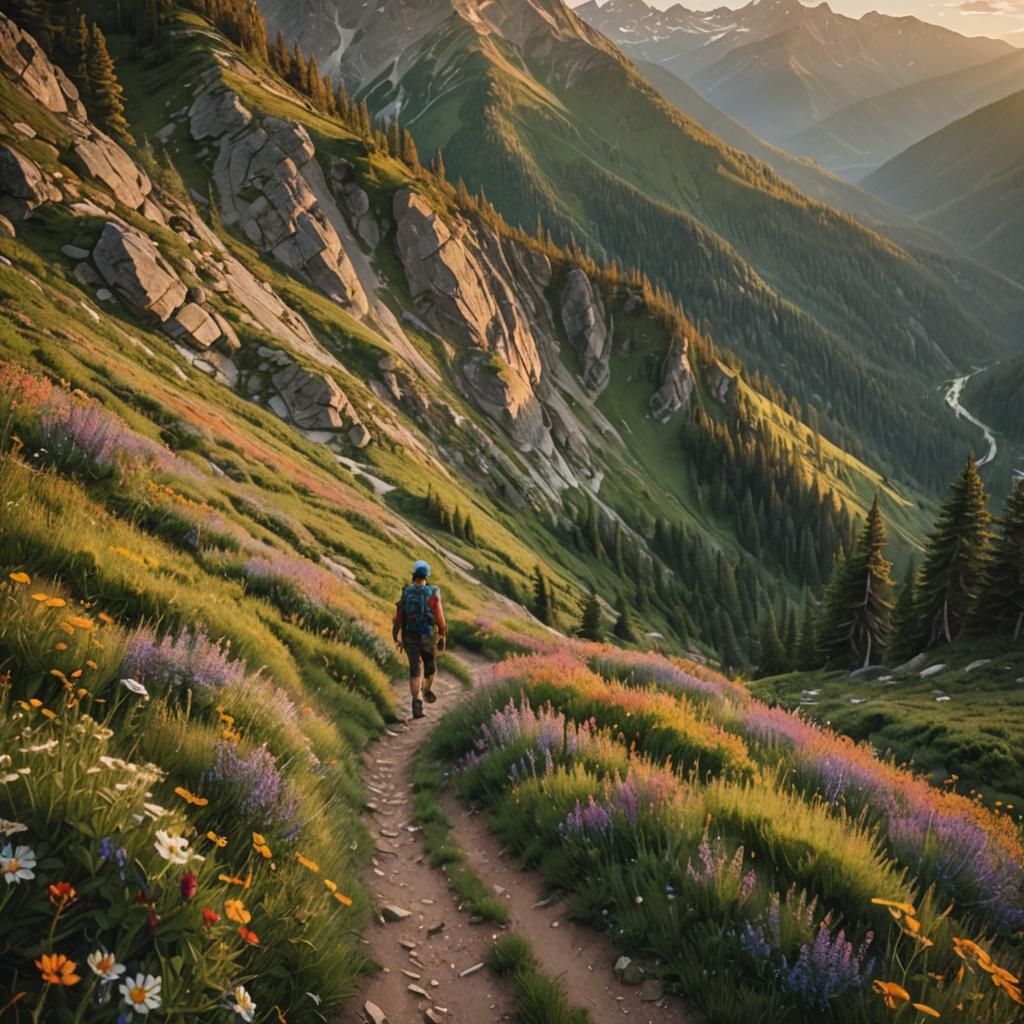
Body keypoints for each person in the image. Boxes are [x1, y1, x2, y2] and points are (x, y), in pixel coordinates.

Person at [393, 559, 447, 719]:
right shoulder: (433, 594)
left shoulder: (406, 592)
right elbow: (440, 620)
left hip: (409, 637)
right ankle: (426, 689)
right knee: (430, 667)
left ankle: (417, 703)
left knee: (415, 670)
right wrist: (443, 634)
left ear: (413, 576)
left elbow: (398, 618)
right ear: (426, 577)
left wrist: (395, 635)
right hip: (428, 637)